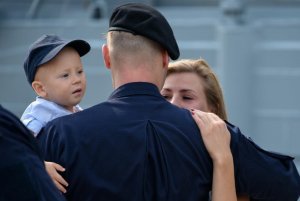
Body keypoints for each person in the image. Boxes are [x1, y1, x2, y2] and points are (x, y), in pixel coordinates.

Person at [37, 3, 300, 201]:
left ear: (107, 57)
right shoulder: (211, 134)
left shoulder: (59, 134)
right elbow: (287, 185)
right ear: (165, 59)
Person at [162, 58, 249, 200]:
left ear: (213, 109)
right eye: (165, 96)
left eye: (187, 97)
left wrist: (223, 159)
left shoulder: (239, 165)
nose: (173, 104)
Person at [21, 34, 91, 193]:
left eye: (79, 71)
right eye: (65, 75)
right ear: (41, 89)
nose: (76, 80)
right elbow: (18, 147)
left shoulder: (78, 111)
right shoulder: (38, 113)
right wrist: (40, 165)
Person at [0, 105, 65, 201]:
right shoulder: (38, 111)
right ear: (41, 89)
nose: (73, 88)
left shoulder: (77, 109)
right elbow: (26, 147)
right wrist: (42, 165)